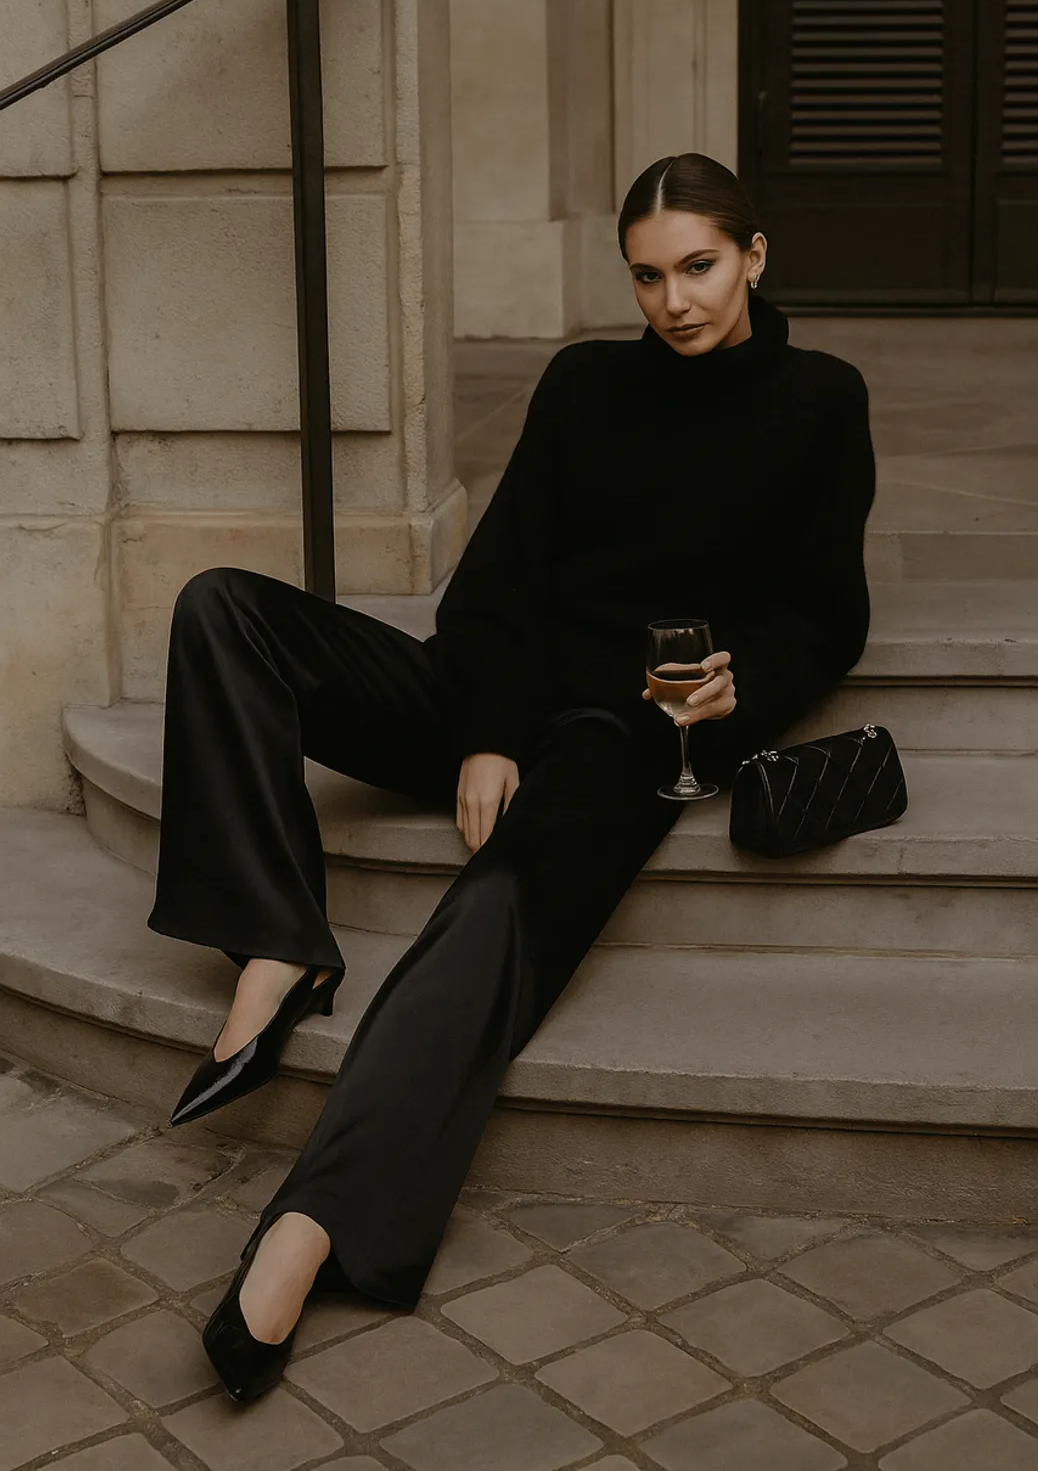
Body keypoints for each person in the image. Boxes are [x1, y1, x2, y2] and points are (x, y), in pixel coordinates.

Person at [146, 152, 876, 1400]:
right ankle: (276, 935)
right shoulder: (585, 382)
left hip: (626, 728)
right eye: (648, 276)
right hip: (494, 694)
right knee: (226, 609)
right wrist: (484, 732)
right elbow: (492, 590)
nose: (675, 301)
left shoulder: (819, 400)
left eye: (699, 267)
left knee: (485, 910)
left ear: (756, 256)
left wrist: (738, 684)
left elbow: (829, 608)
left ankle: (314, 1222)